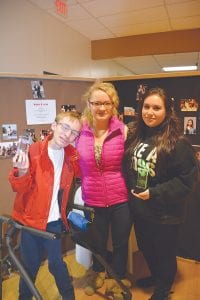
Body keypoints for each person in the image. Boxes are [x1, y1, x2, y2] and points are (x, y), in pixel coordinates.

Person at [123, 87, 198, 300]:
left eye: (157, 108)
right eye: (146, 106)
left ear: (167, 111)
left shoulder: (178, 143)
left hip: (165, 213)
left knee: (164, 254)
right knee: (147, 248)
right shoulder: (136, 137)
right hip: (140, 209)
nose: (150, 112)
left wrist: (154, 193)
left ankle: (163, 289)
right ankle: (157, 277)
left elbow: (186, 181)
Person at [9, 111, 82, 300]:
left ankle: (69, 297)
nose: (68, 134)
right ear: (54, 125)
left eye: (74, 132)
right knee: (29, 266)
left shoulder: (71, 156)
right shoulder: (34, 150)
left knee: (56, 264)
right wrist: (23, 171)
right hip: (31, 222)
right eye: (65, 127)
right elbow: (18, 188)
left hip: (54, 222)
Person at [76, 81, 132, 296]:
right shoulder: (80, 130)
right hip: (92, 199)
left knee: (119, 243)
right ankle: (97, 273)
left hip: (120, 199)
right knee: (96, 242)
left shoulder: (123, 131)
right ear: (88, 104)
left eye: (106, 103)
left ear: (113, 104)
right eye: (96, 103)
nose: (101, 108)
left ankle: (117, 278)